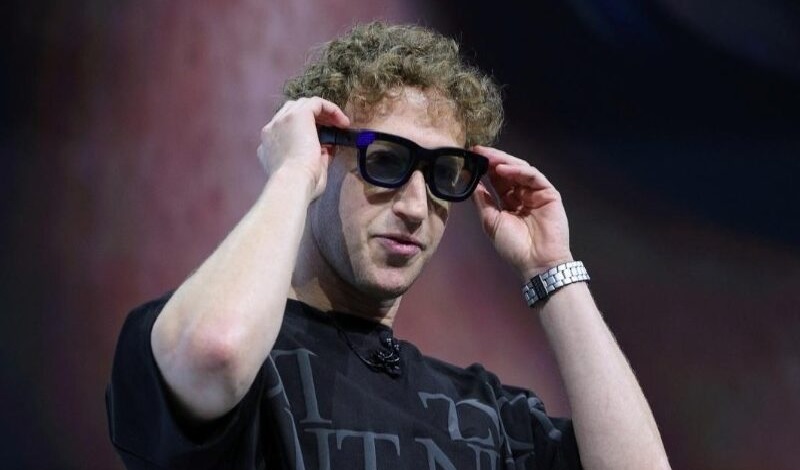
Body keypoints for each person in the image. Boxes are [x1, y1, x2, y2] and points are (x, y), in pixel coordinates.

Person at [106, 21, 670, 469]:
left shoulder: (486, 414)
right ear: (322, 155)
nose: (415, 207)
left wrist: (551, 268)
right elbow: (215, 353)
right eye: (385, 161)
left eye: (444, 173)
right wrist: (291, 174)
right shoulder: (189, 338)